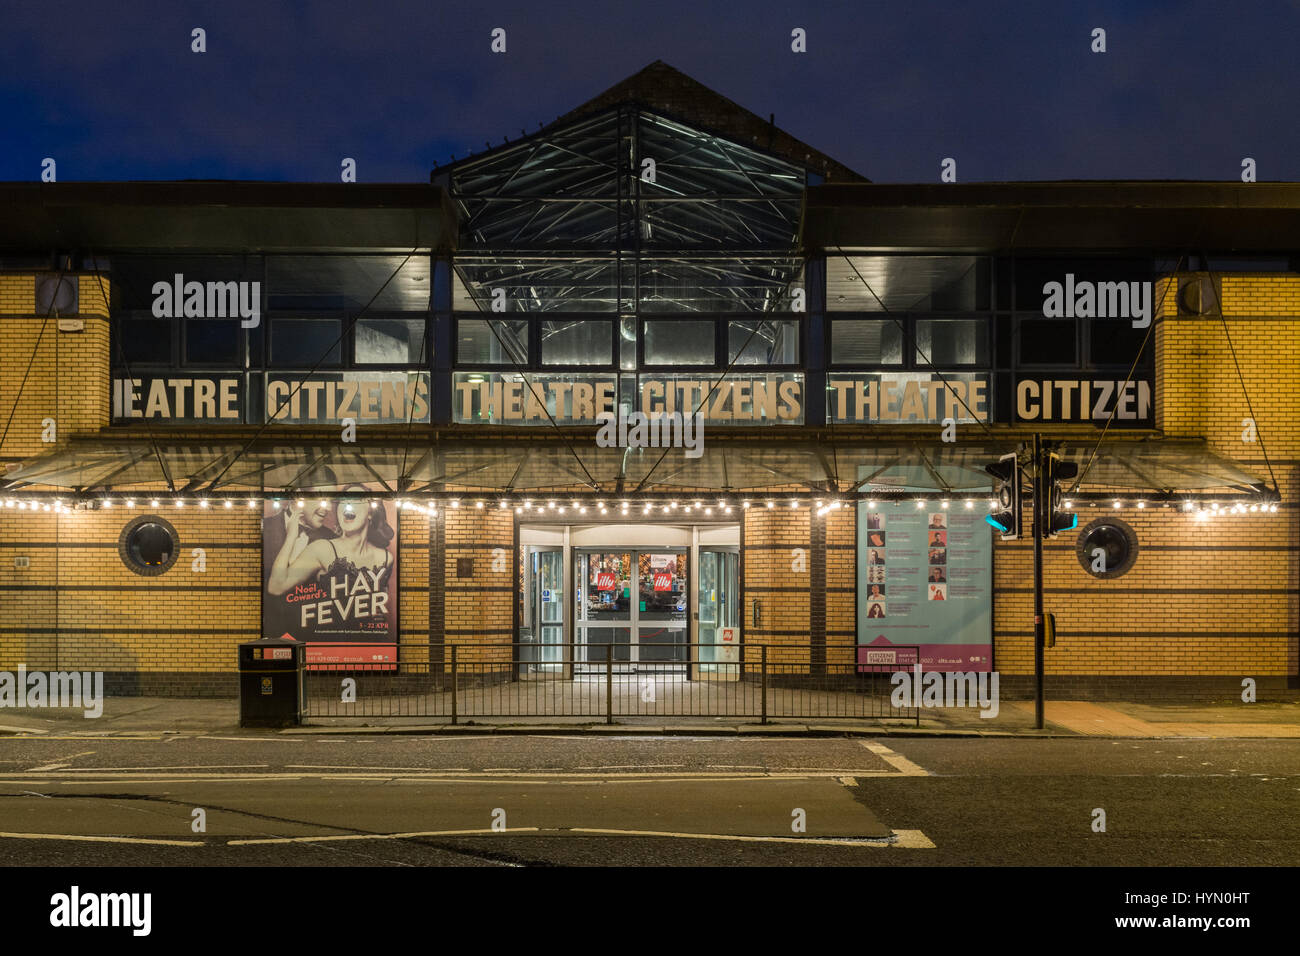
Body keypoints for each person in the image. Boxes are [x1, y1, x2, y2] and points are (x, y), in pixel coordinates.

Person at [267, 497, 395, 638]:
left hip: (365, 641)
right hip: (312, 638)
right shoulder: (323, 548)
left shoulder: (387, 558)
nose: (328, 507)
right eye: (342, 503)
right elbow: (276, 587)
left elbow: (378, 607)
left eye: (355, 502)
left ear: (370, 513)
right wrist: (291, 537)